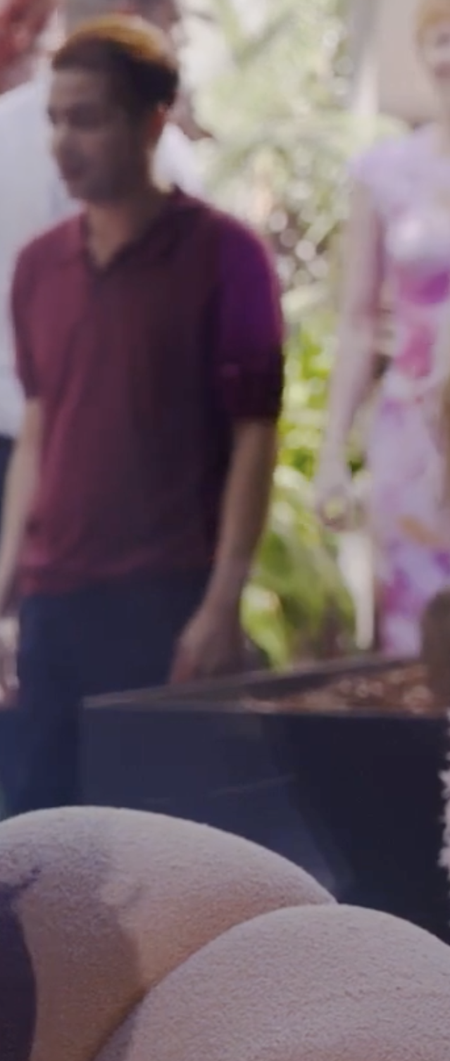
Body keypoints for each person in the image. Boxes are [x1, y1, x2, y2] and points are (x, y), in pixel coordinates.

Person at [0, 16, 284, 816]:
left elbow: (255, 435)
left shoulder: (229, 256)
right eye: (55, 119)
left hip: (167, 599)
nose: (63, 144)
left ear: (152, 122)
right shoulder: (38, 267)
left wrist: (222, 602)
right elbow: (36, 433)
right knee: (39, 831)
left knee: (168, 835)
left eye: (88, 119)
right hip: (54, 598)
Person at [0, 0, 202, 641]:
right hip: (91, 474)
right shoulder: (145, 152)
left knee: (8, 679)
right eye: (171, 17)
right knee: (122, 687)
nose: (181, 35)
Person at [320, 0, 450, 656]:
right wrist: (331, 453)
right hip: (411, 432)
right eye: (442, 39)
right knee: (412, 631)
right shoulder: (386, 171)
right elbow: (358, 322)